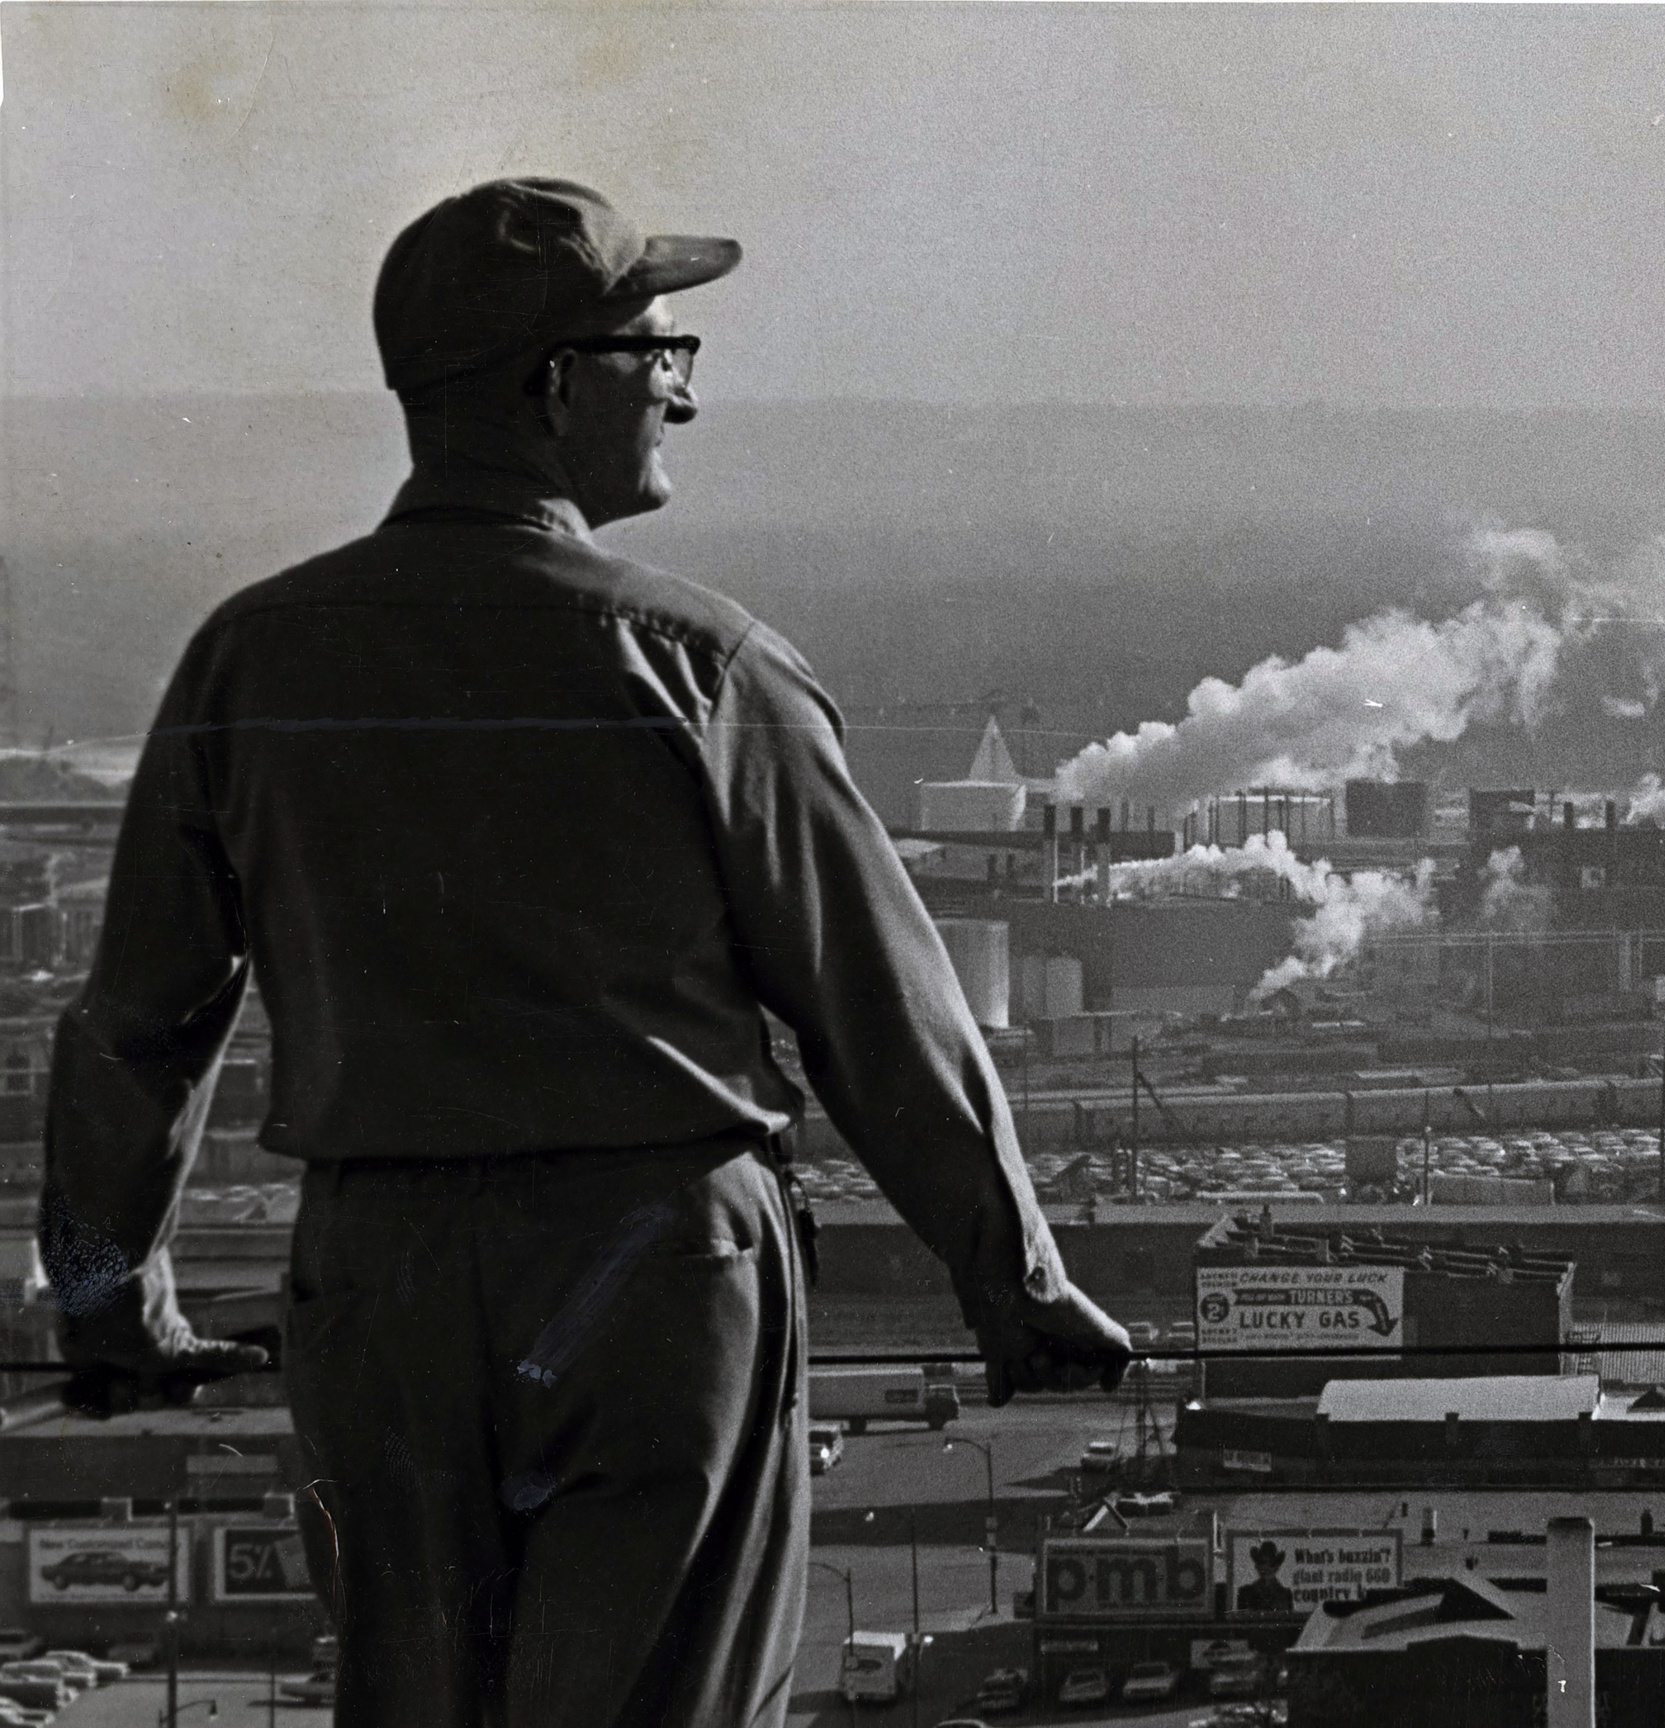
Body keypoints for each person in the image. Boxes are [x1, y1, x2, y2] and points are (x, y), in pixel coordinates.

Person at [38, 177, 1131, 1727]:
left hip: (380, 1278)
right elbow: (881, 1012)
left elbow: (137, 1026)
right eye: (659, 351)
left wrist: (103, 1306)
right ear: (559, 385)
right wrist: (1013, 1284)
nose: (682, 389)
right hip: (654, 1270)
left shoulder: (252, 657)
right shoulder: (700, 663)